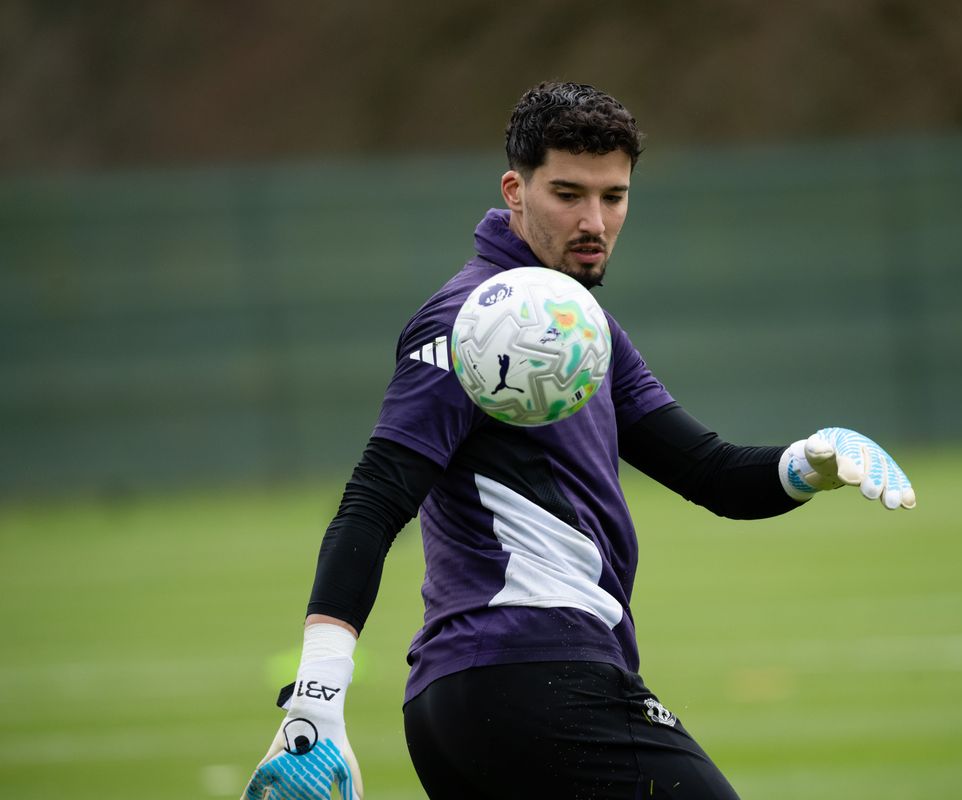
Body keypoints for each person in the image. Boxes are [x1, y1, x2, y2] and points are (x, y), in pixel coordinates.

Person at [241, 81, 916, 800]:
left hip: (473, 702)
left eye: (613, 196)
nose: (594, 220)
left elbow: (709, 473)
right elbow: (374, 501)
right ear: (515, 190)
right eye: (568, 194)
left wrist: (809, 462)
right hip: (534, 676)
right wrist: (317, 697)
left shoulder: (581, 328)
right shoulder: (470, 322)